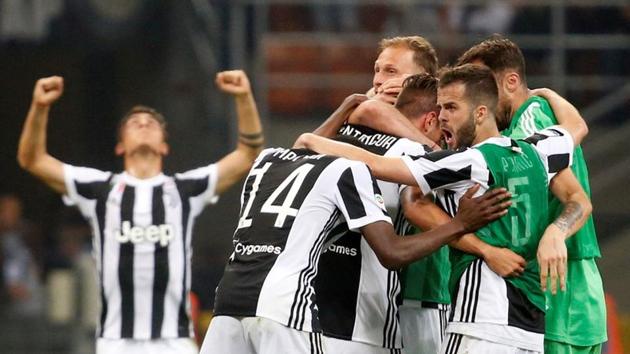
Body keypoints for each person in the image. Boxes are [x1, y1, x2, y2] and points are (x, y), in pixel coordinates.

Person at [296, 64, 592, 354]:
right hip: (529, 327)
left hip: (481, 320)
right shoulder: (537, 151)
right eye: (440, 108)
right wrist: (547, 94)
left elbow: (377, 166)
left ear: (480, 113)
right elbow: (576, 127)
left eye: (451, 108)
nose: (442, 117)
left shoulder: (469, 162)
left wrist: (312, 140)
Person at [17, 71, 264, 354]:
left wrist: (244, 97)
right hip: (116, 342)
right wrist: (39, 106)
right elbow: (32, 159)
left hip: (174, 341)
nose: (144, 124)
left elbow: (248, 153)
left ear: (164, 146)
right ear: (120, 145)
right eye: (135, 123)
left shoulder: (184, 190)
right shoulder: (100, 190)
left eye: (151, 123)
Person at [199, 142, 511, 354]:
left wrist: (348, 108)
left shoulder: (267, 159)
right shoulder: (350, 169)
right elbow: (392, 253)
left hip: (227, 300)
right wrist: (459, 224)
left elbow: (305, 140)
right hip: (283, 305)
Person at [456, 35, 607, 353]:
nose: (476, 97)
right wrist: (549, 93)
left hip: (557, 283)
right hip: (573, 285)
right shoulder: (536, 116)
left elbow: (577, 199)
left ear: (511, 80)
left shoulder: (528, 123)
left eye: (483, 84)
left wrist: (556, 232)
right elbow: (578, 125)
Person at [313, 74, 444, 354]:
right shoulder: (415, 152)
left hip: (308, 304)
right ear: (430, 120)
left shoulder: (335, 136)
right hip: (364, 316)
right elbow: (418, 205)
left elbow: (297, 152)